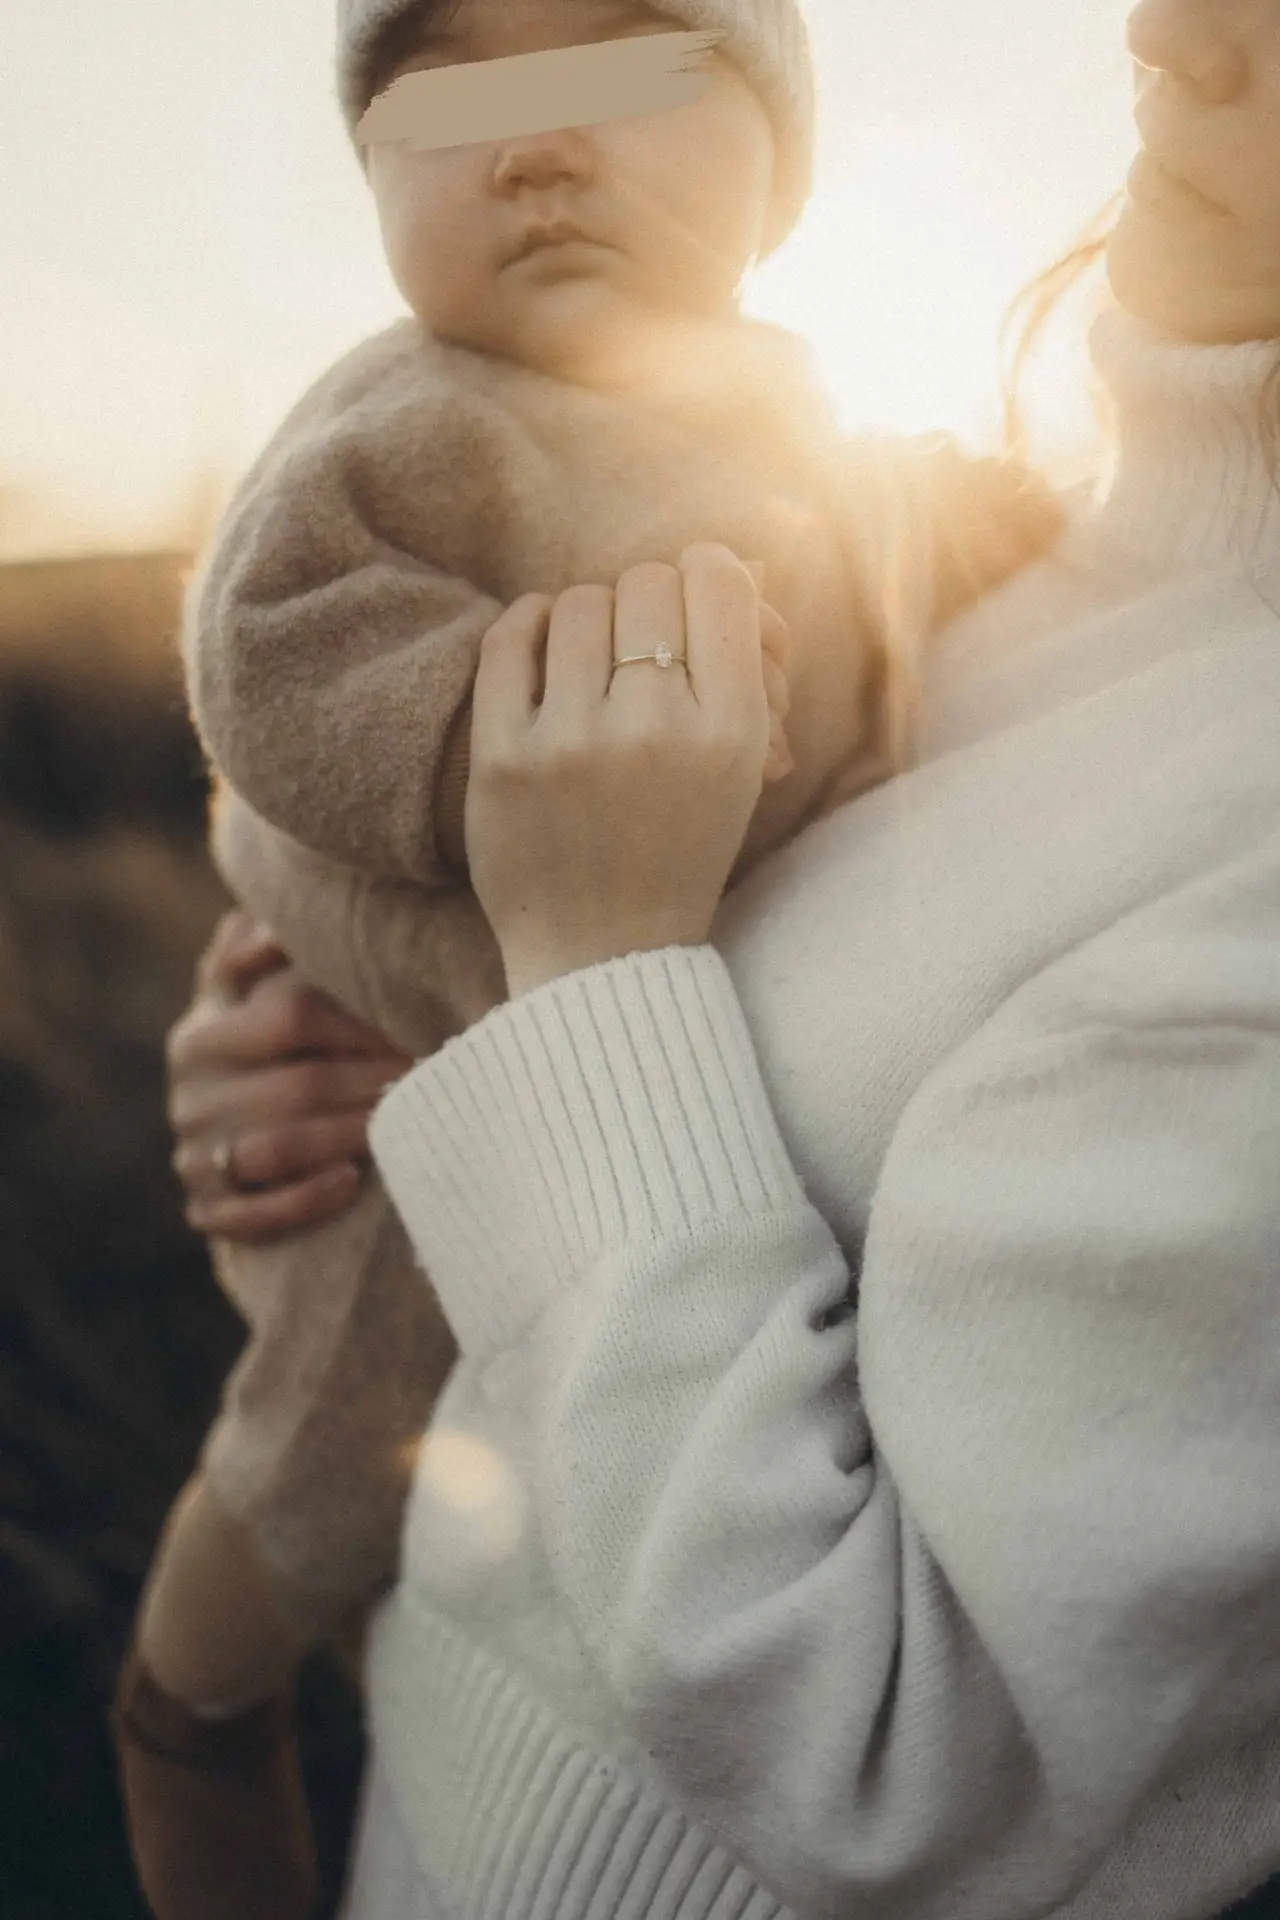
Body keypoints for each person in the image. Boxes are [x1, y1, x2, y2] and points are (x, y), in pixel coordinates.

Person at [167, 0, 1280, 1915]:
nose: (1167, 22)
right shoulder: (1056, 557)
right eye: (454, 101)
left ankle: (189, 1706)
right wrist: (332, 982)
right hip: (409, 1823)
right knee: (301, 1469)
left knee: (257, 1560)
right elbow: (291, 664)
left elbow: (901, 1773)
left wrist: (580, 969)